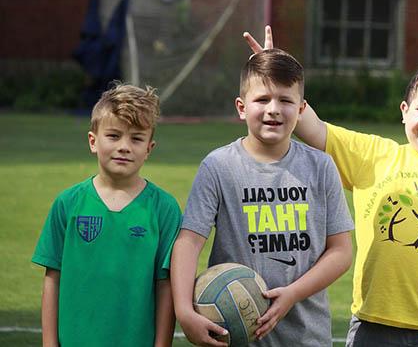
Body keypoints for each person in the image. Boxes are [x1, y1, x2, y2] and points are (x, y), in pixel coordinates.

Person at [244, 27, 418, 347]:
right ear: (404, 113)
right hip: (372, 328)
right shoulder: (373, 156)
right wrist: (271, 75)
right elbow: (311, 125)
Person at [171, 48, 354, 347]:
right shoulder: (219, 166)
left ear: (301, 108)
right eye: (262, 100)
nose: (273, 109)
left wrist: (293, 293)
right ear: (242, 107)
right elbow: (189, 242)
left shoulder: (321, 166)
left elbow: (341, 251)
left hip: (306, 337)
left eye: (285, 100)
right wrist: (183, 309)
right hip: (236, 338)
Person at [32, 84, 181, 347]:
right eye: (113, 136)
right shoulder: (67, 204)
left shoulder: (165, 209)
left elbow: (165, 286)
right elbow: (52, 279)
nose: (124, 146)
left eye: (136, 138)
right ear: (93, 141)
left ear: (149, 148)